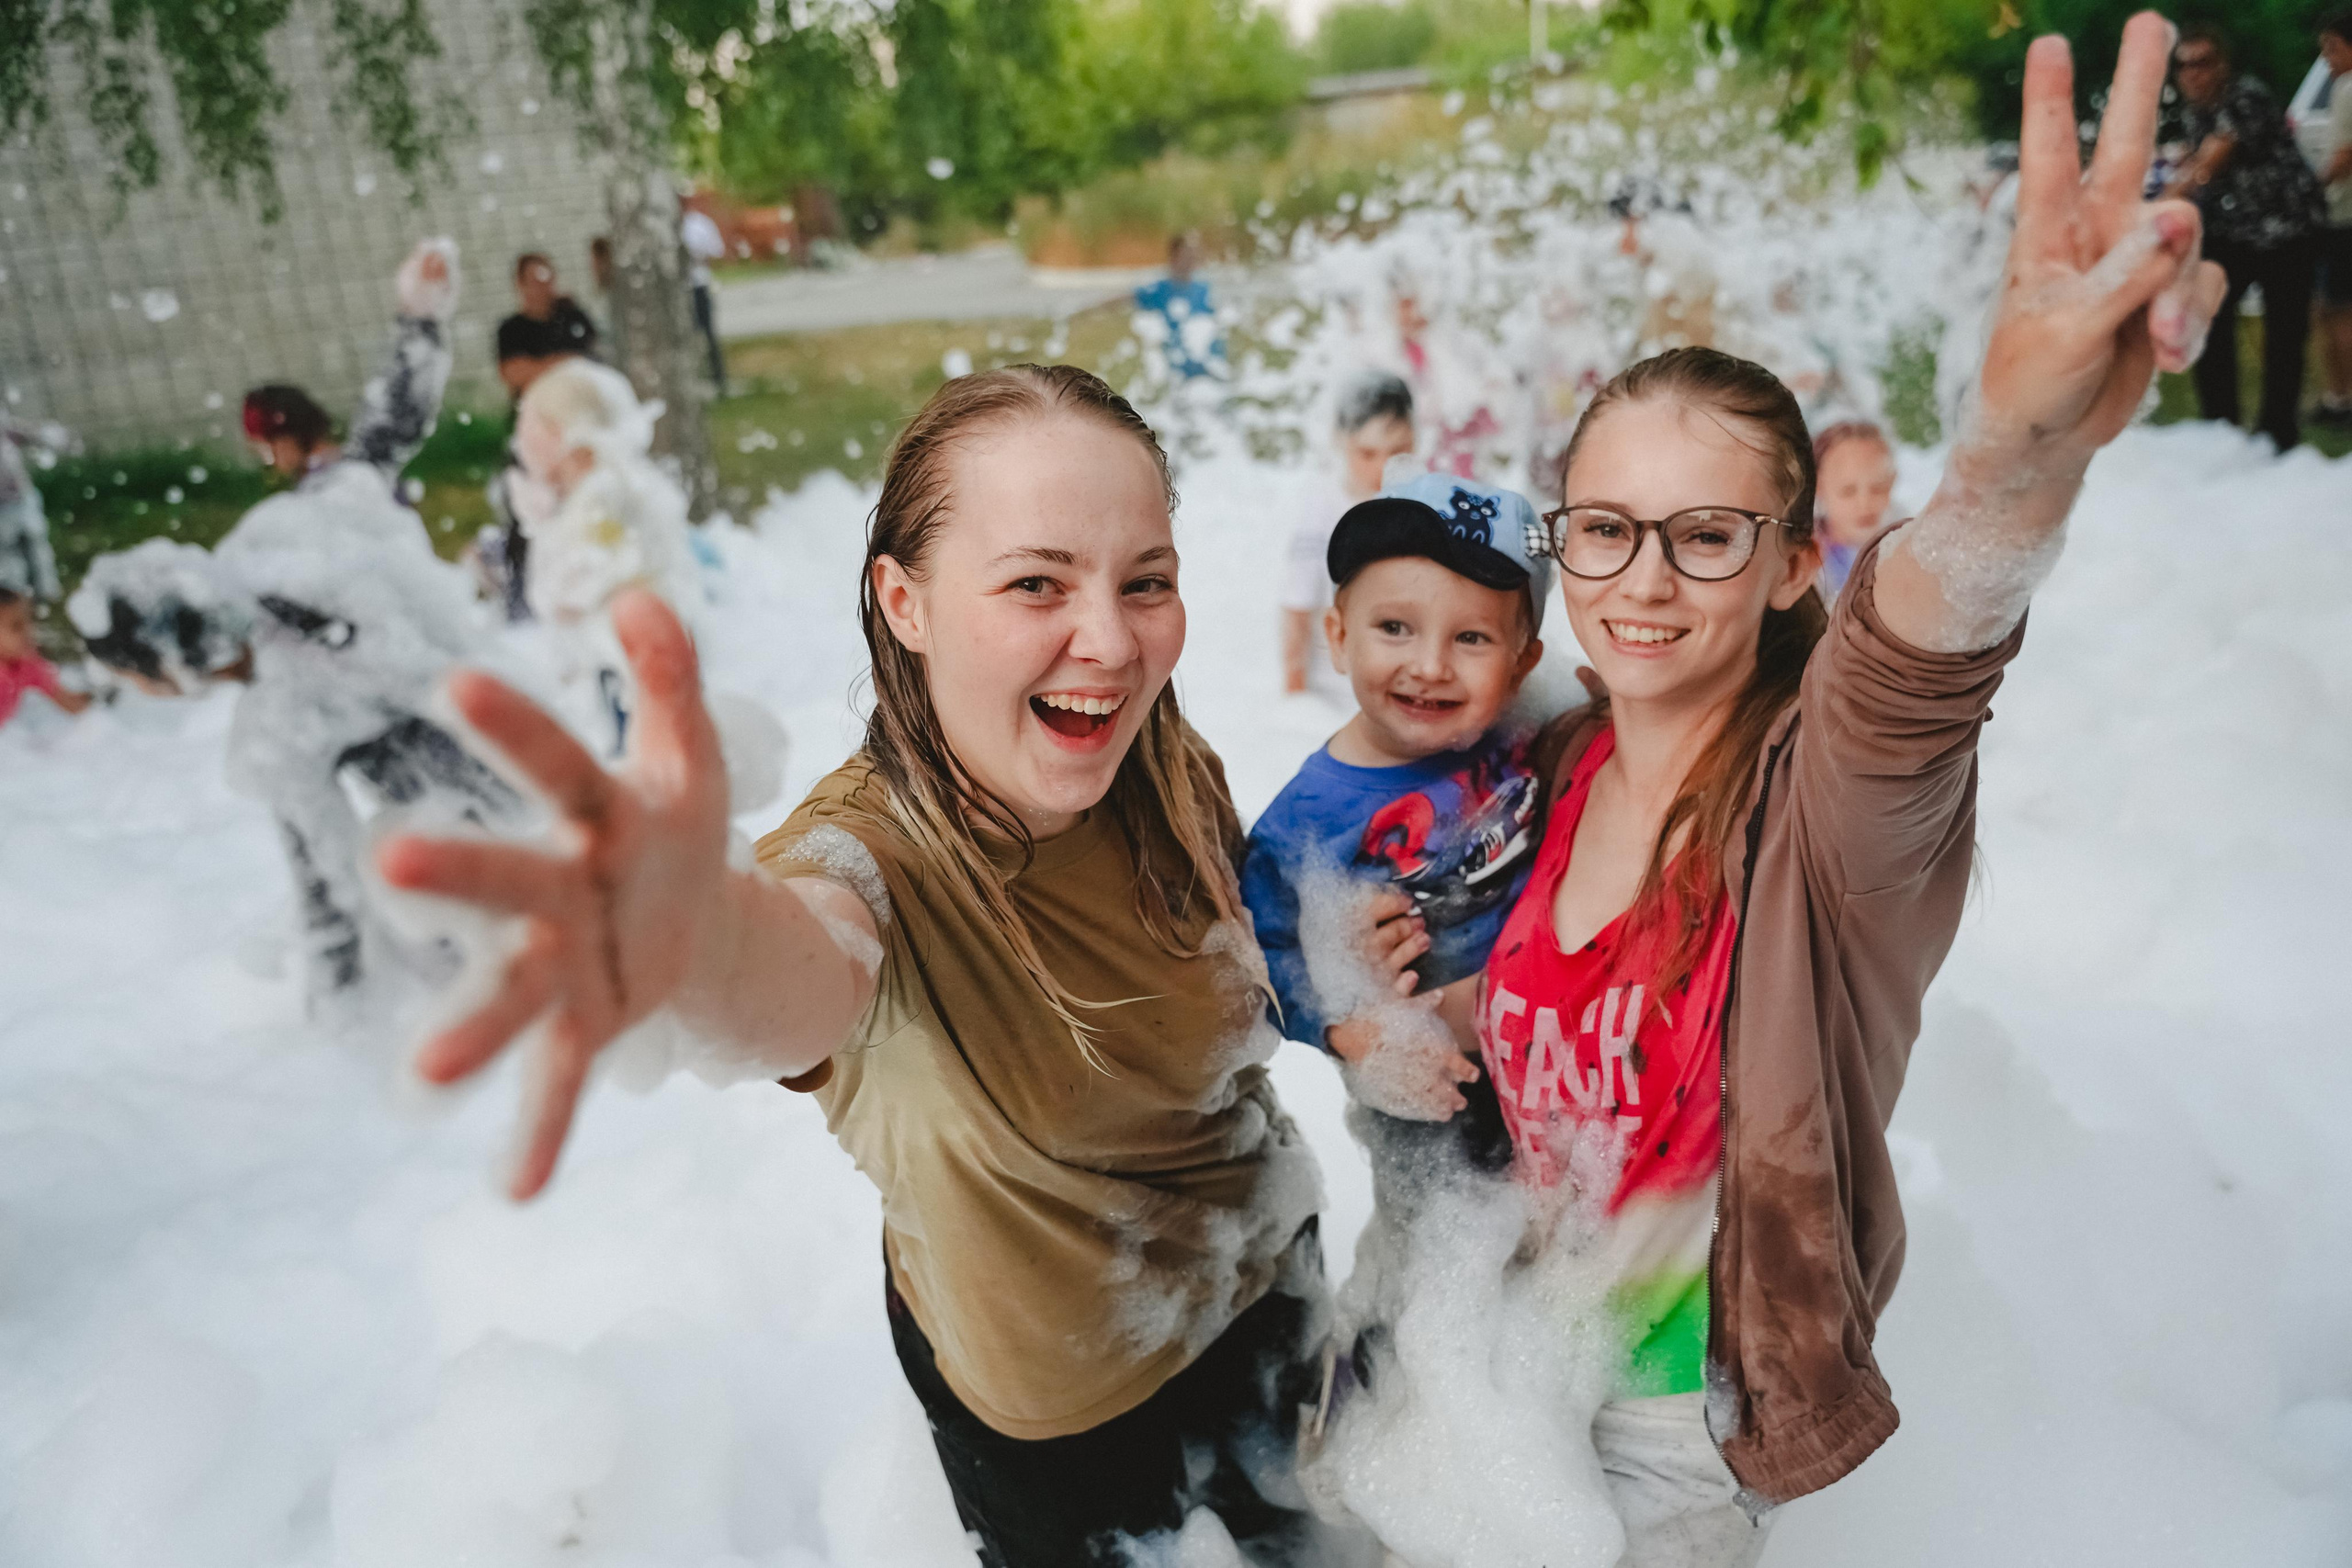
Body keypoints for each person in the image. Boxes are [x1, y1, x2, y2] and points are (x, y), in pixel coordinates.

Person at [1340, 16, 2223, 1562]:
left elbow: (1918, 669)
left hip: (1669, 1438)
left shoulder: (1827, 814)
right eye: (1605, 528)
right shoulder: (1548, 762)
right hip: (1478, 1368)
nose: (1644, 580)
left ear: (1792, 553)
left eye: (1707, 533)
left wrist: (2016, 459)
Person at [374, 365, 1331, 1568]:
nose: (1111, 637)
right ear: (906, 598)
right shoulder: (868, 860)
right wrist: (696, 937)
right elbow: (790, 967)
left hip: (1266, 1264)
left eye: (1146, 581)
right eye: (1036, 581)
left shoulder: (1153, 748)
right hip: (1062, 1409)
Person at [2162, 24, 2328, 450]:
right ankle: (2221, 427)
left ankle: (2277, 433)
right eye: (2183, 65)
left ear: (2223, 64)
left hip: (2287, 228)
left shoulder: (2245, 96)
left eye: (2202, 63)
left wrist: (2159, 203)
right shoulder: (2194, 111)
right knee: (2206, 315)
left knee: (2284, 333)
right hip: (2235, 232)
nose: (2192, 74)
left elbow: (2210, 162)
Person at [1279, 373, 1417, 694]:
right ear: (1342, 442)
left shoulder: (1423, 503)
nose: (1384, 467)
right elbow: (1296, 610)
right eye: (1368, 454)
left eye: (1399, 450)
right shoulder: (1321, 511)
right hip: (1338, 690)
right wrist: (1294, 694)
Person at [1809, 420, 1898, 600]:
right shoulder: (1805, 559)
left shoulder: (1907, 546)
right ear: (1819, 487)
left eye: (1878, 488)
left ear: (1892, 481)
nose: (1865, 504)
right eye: (1848, 491)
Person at [2313, 15, 2352, 426]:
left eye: (2333, 48)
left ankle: (2341, 398)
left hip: (2344, 217)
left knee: (2336, 310)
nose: (2327, 60)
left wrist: (2311, 186)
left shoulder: (2347, 88)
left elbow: (2343, 157)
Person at [494, 253, 600, 400]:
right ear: (520, 284)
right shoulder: (512, 329)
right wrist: (567, 362)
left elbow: (595, 358)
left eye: (547, 280)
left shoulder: (574, 317)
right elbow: (514, 374)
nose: (543, 288)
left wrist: (540, 366)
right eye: (535, 282)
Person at [1133, 233, 1227, 381]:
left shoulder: (1204, 289)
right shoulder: (1159, 290)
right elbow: (1126, 298)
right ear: (1173, 258)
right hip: (1178, 371)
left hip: (1211, 367)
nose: (1190, 260)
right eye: (1186, 255)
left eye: (1193, 255)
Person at [0, 586, 89, 728]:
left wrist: (97, 698)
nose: (29, 631)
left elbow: (68, 701)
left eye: (29, 621)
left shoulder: (27, 664)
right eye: (16, 626)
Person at [681, 201, 729, 396]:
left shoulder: (698, 224)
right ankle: (691, 379)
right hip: (678, 290)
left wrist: (695, 254)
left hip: (698, 284)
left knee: (708, 332)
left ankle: (718, 377)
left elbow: (716, 250)